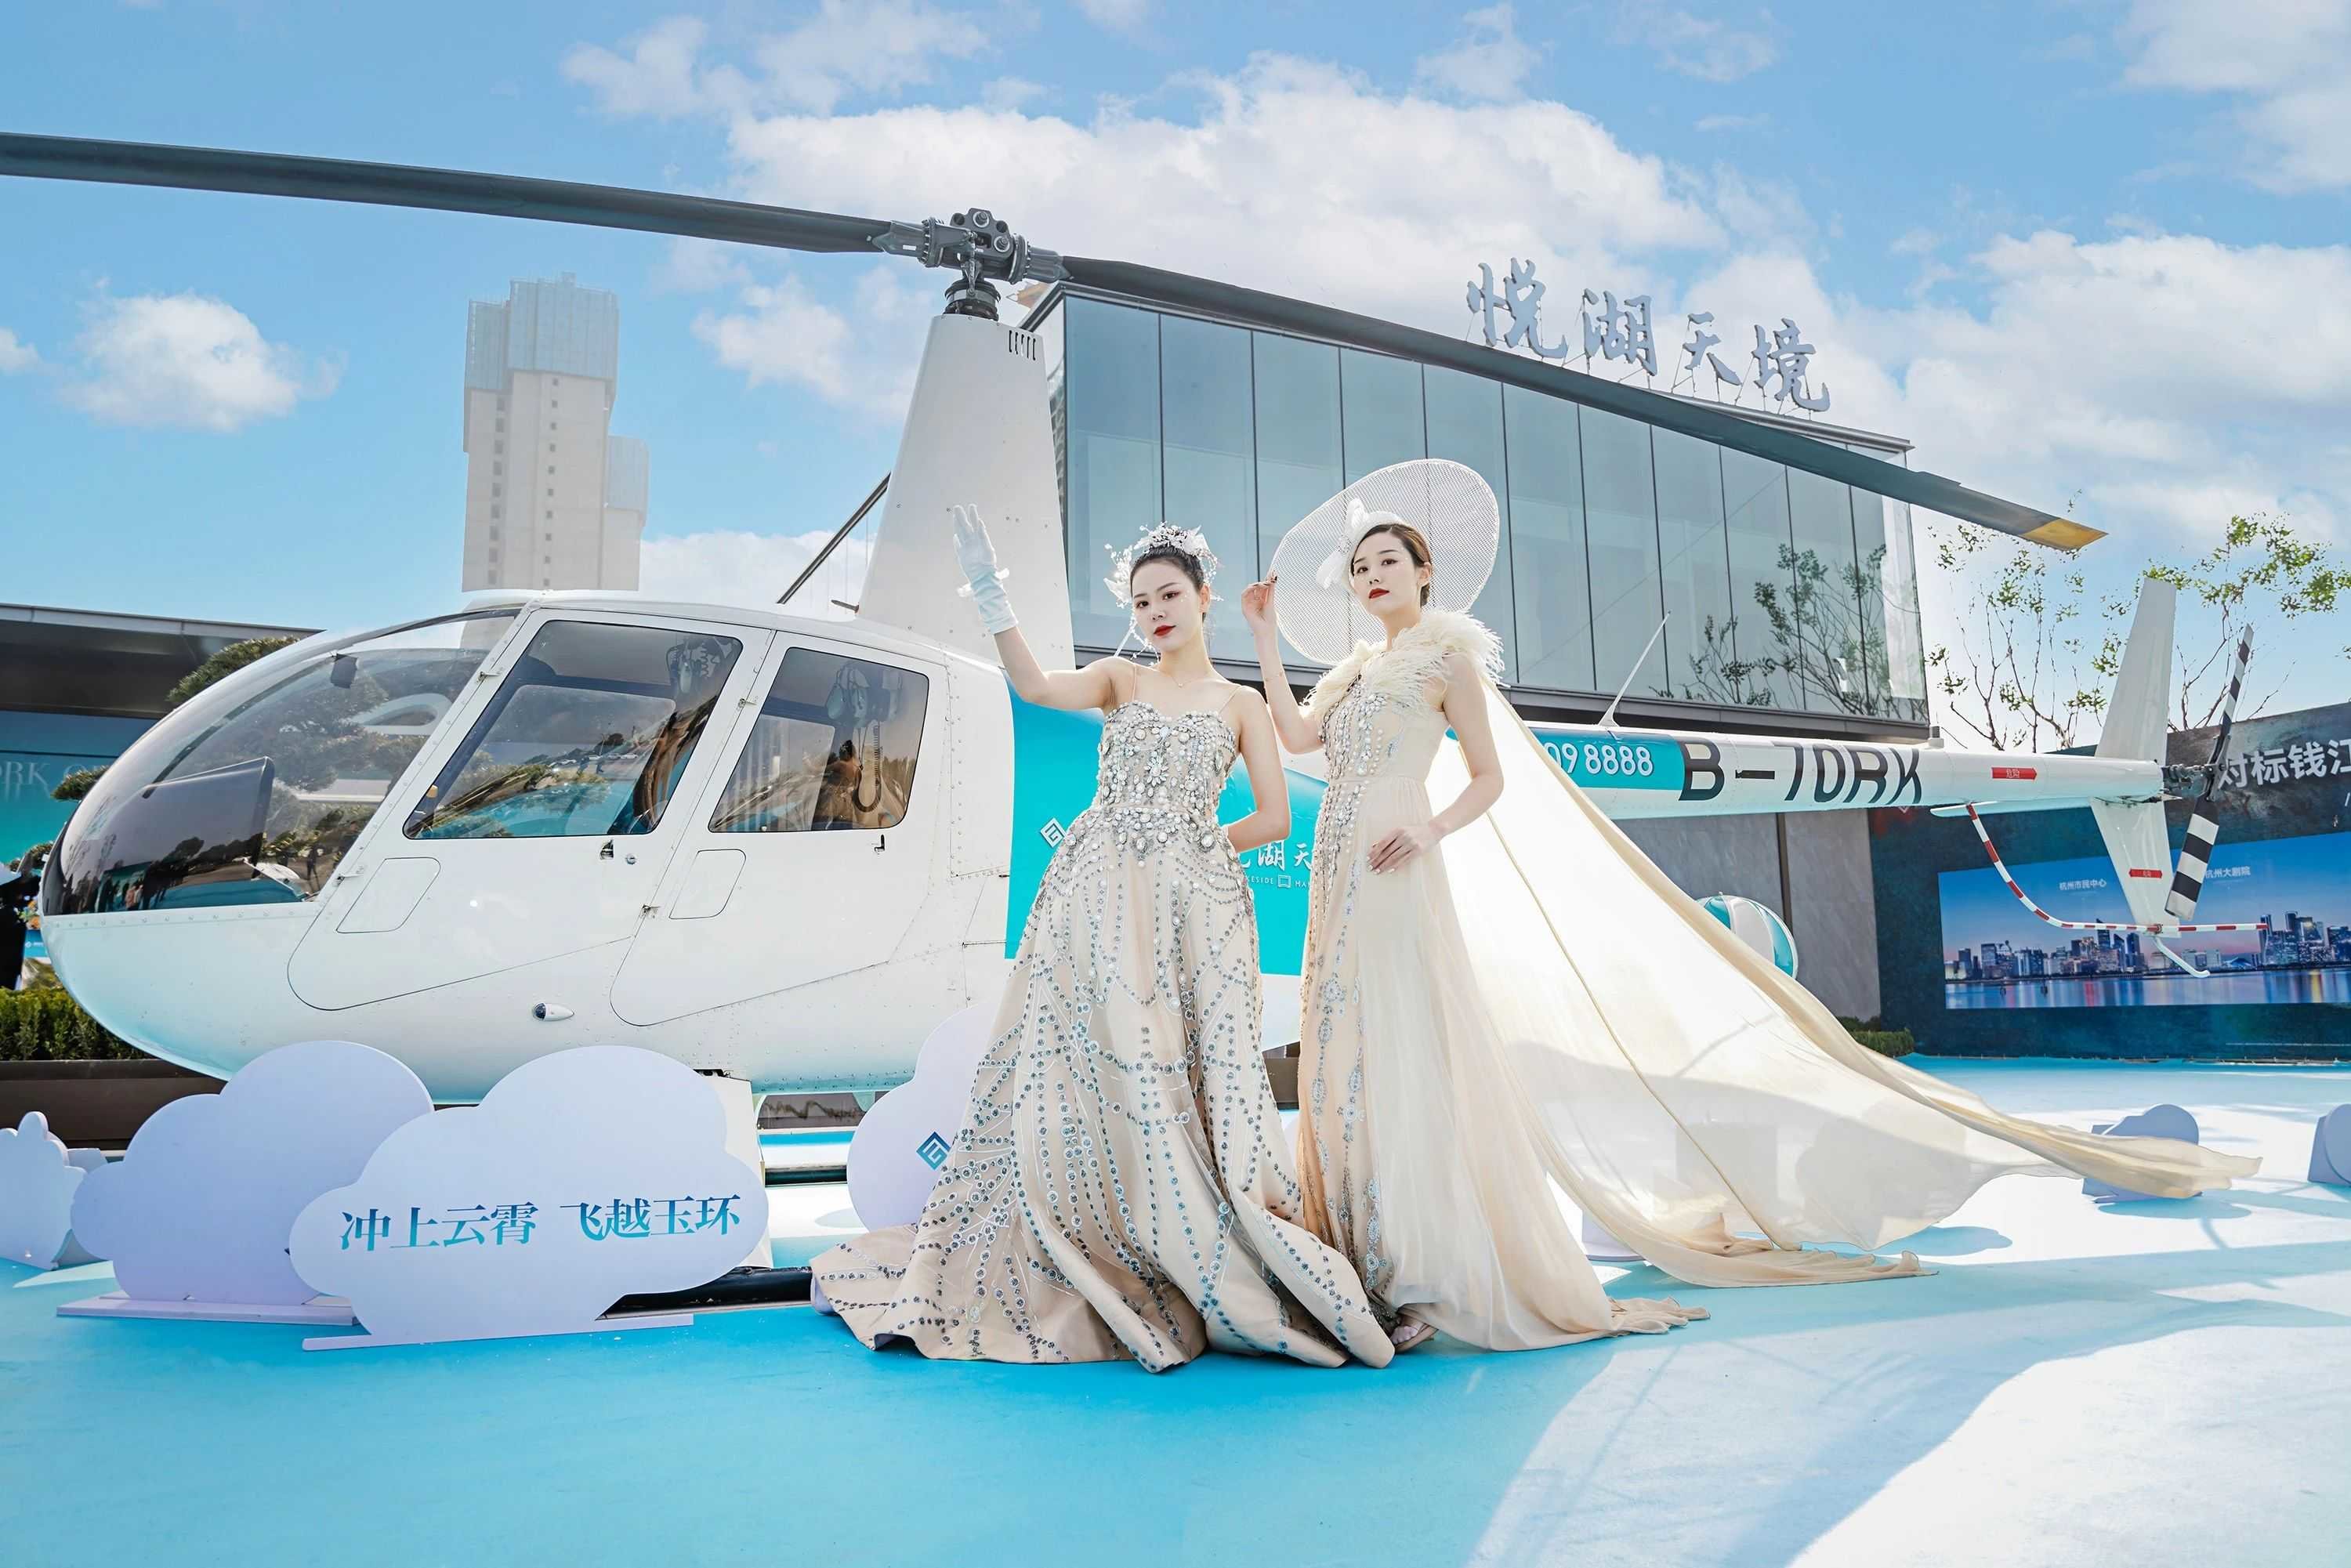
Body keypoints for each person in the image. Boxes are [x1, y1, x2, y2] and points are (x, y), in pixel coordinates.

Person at [1244, 471, 2257, 1353]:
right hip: (1341, 869)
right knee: (1351, 1045)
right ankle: (1362, 1246)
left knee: (1409, 1048)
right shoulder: (1355, 674)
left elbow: (1490, 779)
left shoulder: (1448, 659)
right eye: (1361, 567)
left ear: (1425, 574)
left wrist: (1430, 831)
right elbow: (1293, 735)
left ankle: (1421, 1263)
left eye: (1389, 560)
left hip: (1400, 861)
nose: (1372, 575)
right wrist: (1258, 635)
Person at [809, 509, 1394, 1372]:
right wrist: (990, 593)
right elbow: (1037, 687)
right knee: (1076, 1070)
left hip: (1189, 908)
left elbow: (1273, 818)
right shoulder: (1122, 678)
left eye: (1170, 596)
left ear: (1204, 598)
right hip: (1094, 895)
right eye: (1141, 601)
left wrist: (1190, 843)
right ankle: (1092, 1235)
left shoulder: (1240, 705)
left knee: (1171, 1071)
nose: (1155, 612)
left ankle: (1180, 1242)